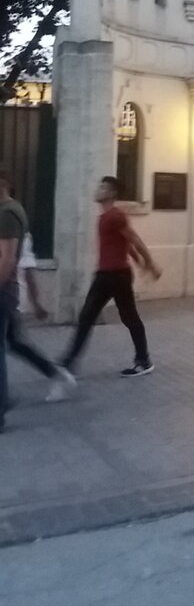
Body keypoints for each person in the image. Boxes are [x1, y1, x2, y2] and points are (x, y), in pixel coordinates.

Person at [60, 176, 161, 376]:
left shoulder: (116, 216)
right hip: (108, 275)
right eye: (99, 187)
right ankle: (70, 362)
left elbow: (135, 239)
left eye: (103, 188)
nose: (98, 190)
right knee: (98, 317)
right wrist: (139, 262)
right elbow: (126, 244)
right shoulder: (104, 217)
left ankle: (69, 362)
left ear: (112, 193)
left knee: (118, 317)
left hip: (115, 276)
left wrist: (151, 265)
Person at [0, 170, 74, 433]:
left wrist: (37, 301)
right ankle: (55, 374)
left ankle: (4, 402)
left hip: (6, 293)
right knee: (16, 344)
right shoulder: (11, 213)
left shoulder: (10, 216)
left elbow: (16, 262)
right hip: (10, 294)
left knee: (11, 345)